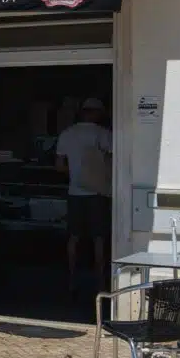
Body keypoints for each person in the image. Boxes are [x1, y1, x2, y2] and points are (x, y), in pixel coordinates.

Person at [56, 97, 112, 295]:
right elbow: (113, 161)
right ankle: (101, 283)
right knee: (99, 238)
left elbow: (59, 166)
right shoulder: (103, 134)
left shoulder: (67, 134)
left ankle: (72, 279)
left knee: (74, 237)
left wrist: (76, 175)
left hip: (75, 192)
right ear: (97, 113)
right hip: (98, 193)